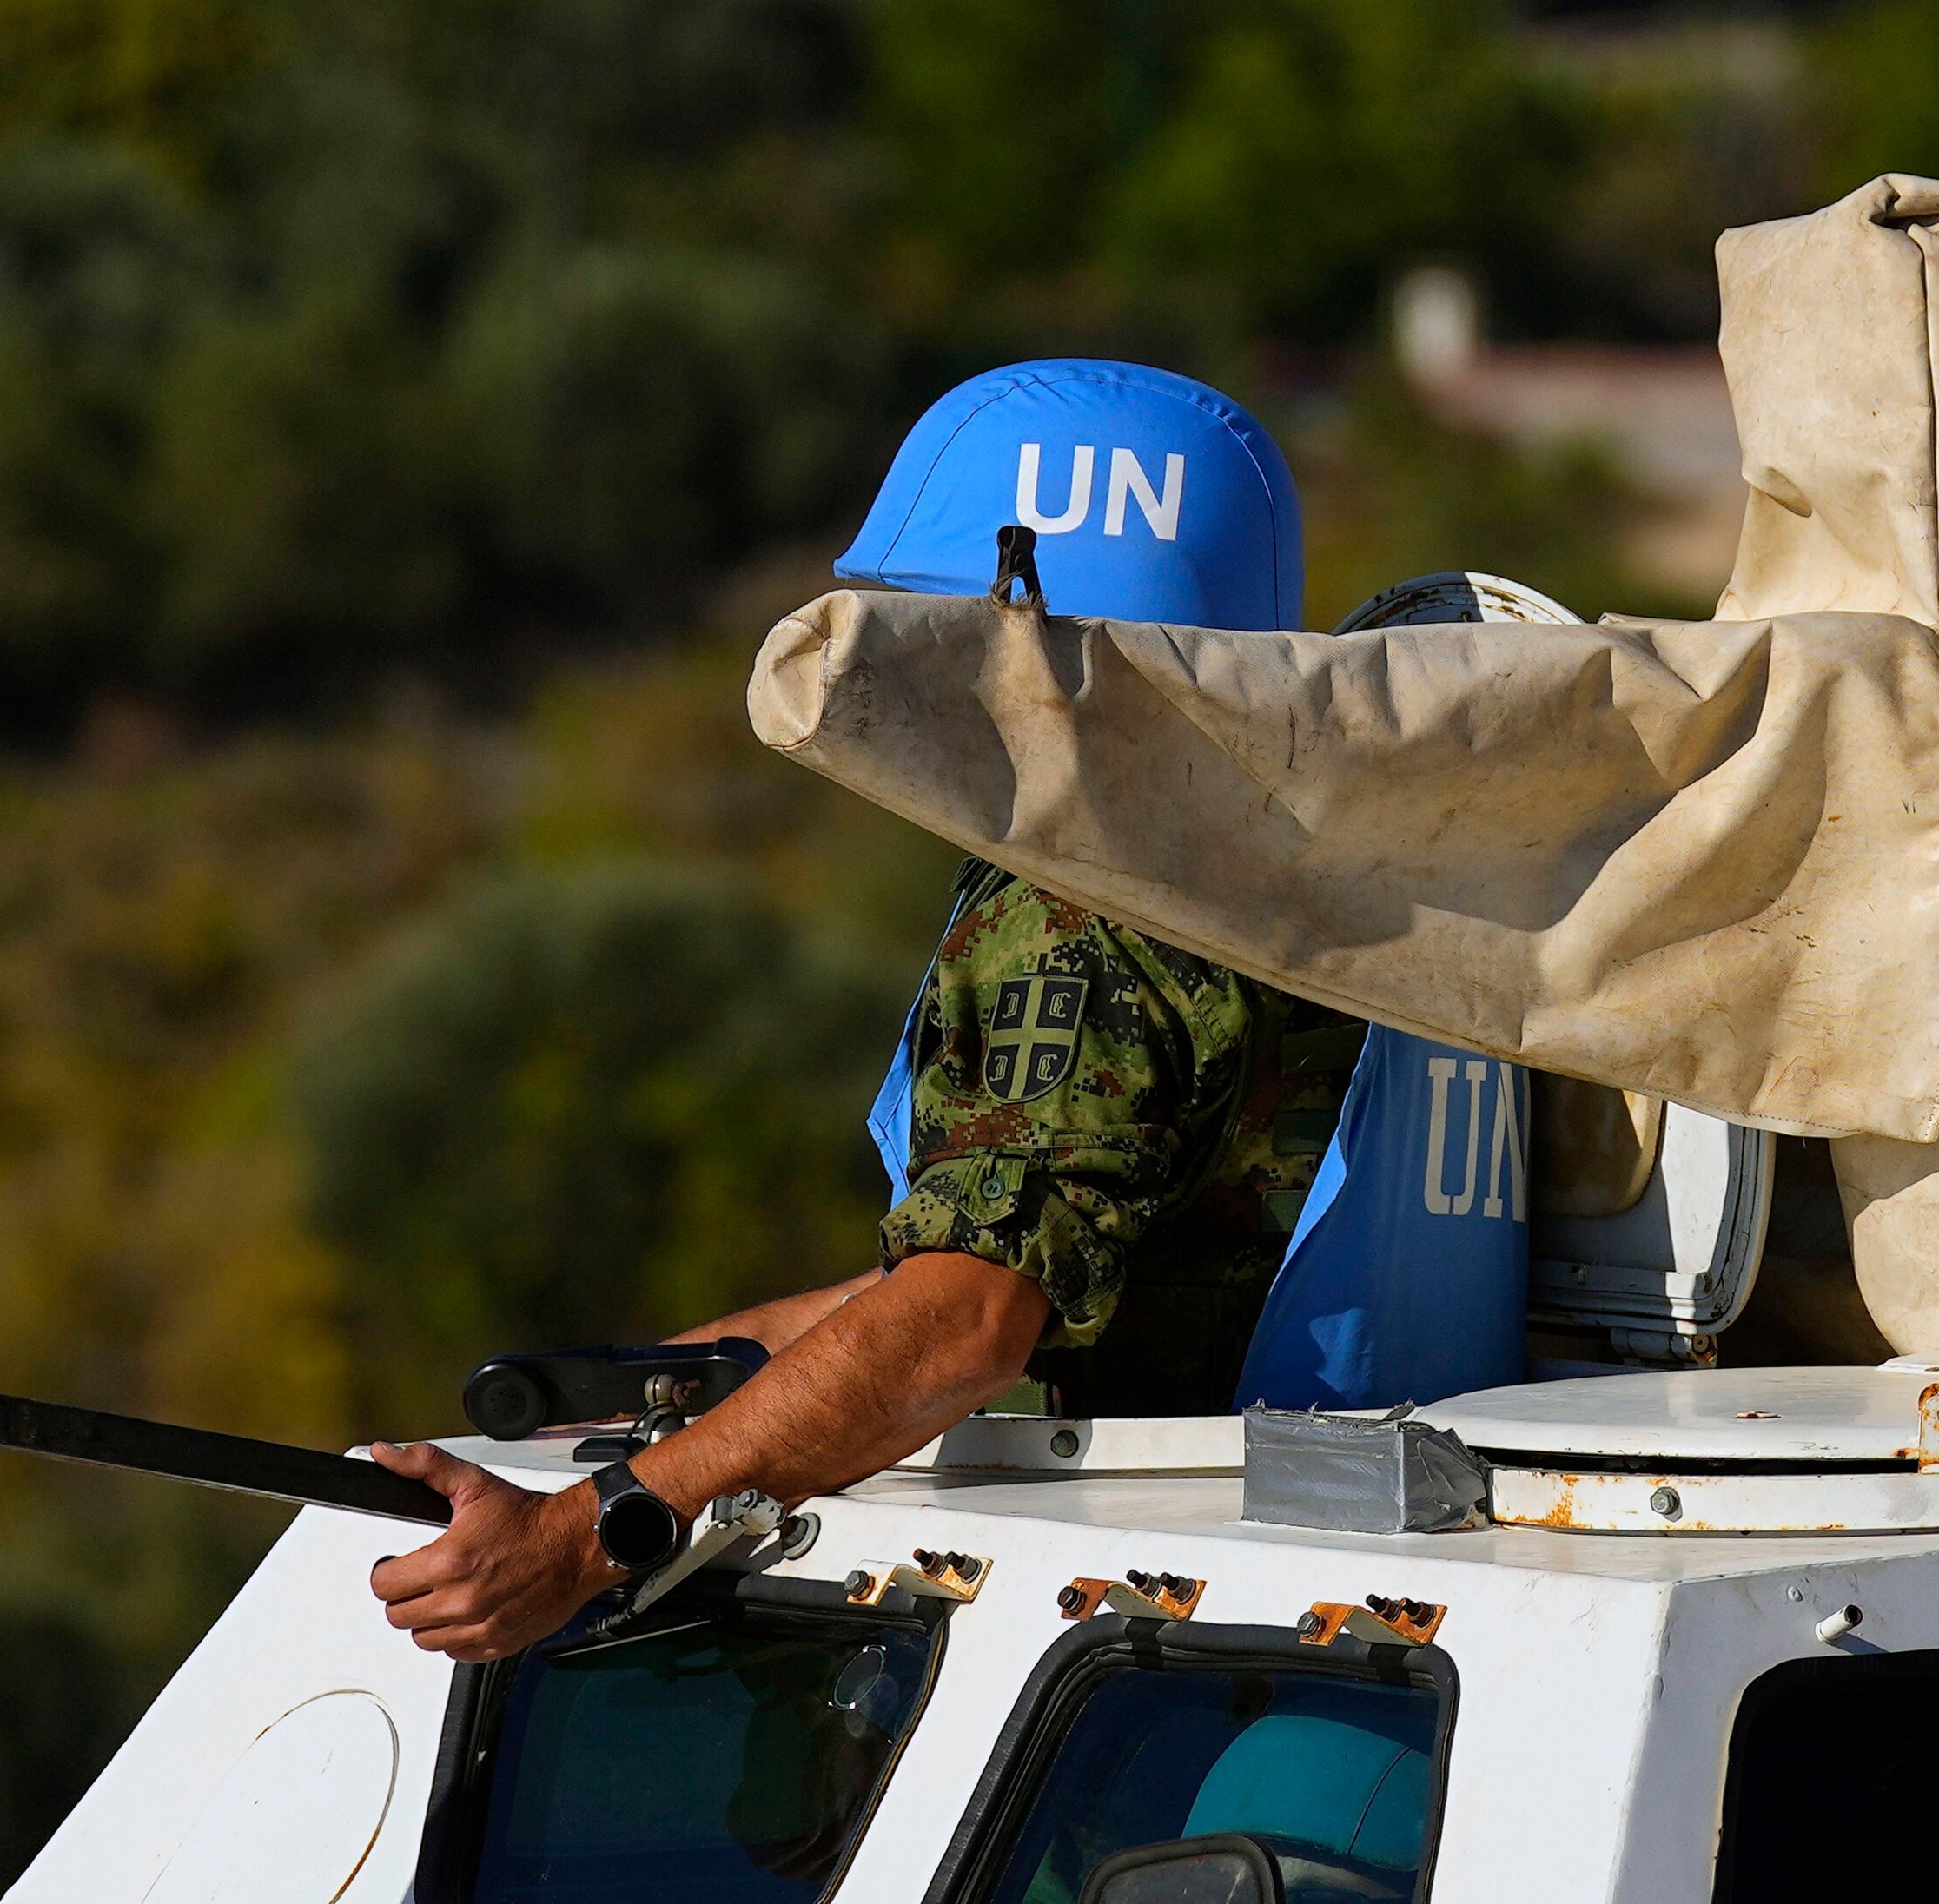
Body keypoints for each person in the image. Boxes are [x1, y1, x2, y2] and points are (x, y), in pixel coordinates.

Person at [367, 363, 1390, 1663]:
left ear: (1023, 617)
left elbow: (968, 1319)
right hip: (1352, 1532)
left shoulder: (1081, 909)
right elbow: (1058, 1251)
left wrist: (586, 1536)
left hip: (1212, 1624)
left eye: (931, 621)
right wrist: (671, 1384)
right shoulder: (1331, 862)